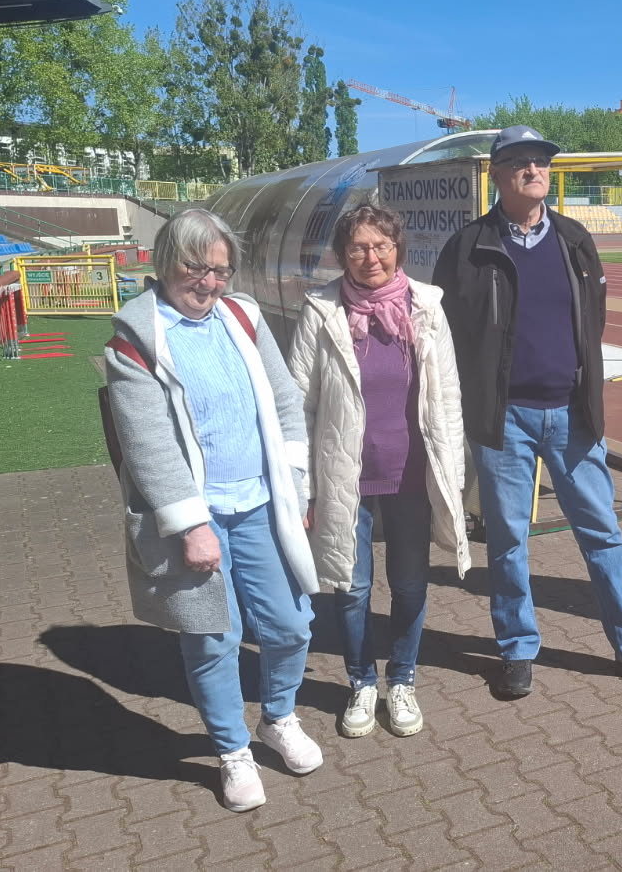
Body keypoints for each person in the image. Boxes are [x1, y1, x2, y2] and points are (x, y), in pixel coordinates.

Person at [432, 125, 622, 698]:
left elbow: (591, 318)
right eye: (520, 162)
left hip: (572, 415)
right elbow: (445, 336)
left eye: (542, 161)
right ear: (497, 175)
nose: (534, 170)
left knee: (603, 533)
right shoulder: (468, 246)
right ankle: (517, 649)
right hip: (504, 419)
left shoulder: (574, 239)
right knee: (508, 541)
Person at [105, 208, 322, 812]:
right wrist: (191, 524)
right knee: (211, 638)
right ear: (166, 263)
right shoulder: (136, 338)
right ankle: (232, 752)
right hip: (197, 518)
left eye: (220, 271)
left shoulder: (243, 317)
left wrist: (295, 484)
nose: (208, 283)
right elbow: (147, 443)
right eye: (195, 268)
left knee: (290, 625)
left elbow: (285, 401)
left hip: (262, 502)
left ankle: (279, 717)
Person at [288, 203, 471, 740]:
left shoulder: (426, 307)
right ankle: (362, 682)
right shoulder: (321, 311)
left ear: (398, 249)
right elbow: (298, 406)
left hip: (411, 471)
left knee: (410, 583)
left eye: (381, 246)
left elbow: (449, 397)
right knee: (351, 586)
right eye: (358, 248)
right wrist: (303, 488)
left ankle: (403, 679)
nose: (371, 258)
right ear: (342, 254)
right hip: (344, 474)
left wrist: (454, 476)